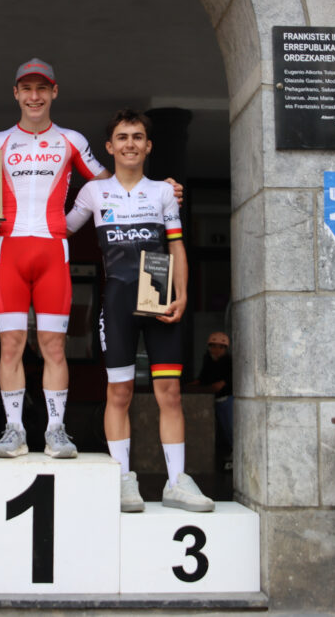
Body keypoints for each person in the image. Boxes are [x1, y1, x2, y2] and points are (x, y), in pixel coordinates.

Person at [66, 108, 214, 513]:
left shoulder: (163, 192)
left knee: (170, 392)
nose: (129, 144)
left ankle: (176, 482)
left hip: (158, 291)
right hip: (117, 298)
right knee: (120, 391)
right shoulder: (94, 192)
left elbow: (176, 244)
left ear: (148, 146)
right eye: (122, 137)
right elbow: (60, 229)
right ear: (109, 146)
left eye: (137, 137)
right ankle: (121, 479)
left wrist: (182, 294)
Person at [0, 58, 110, 460]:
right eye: (27, 89)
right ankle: (14, 430)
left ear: (54, 92)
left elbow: (106, 184)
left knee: (54, 346)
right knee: (10, 345)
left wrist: (153, 187)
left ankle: (55, 431)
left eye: (42, 88)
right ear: (16, 93)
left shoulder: (71, 140)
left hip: (53, 252)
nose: (35, 96)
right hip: (9, 252)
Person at [195, 331, 233, 469]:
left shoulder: (229, 363)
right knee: (223, 430)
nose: (216, 349)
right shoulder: (208, 360)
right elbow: (202, 379)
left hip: (228, 400)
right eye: (213, 346)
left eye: (220, 347)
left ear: (225, 349)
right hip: (216, 401)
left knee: (231, 429)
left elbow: (218, 386)